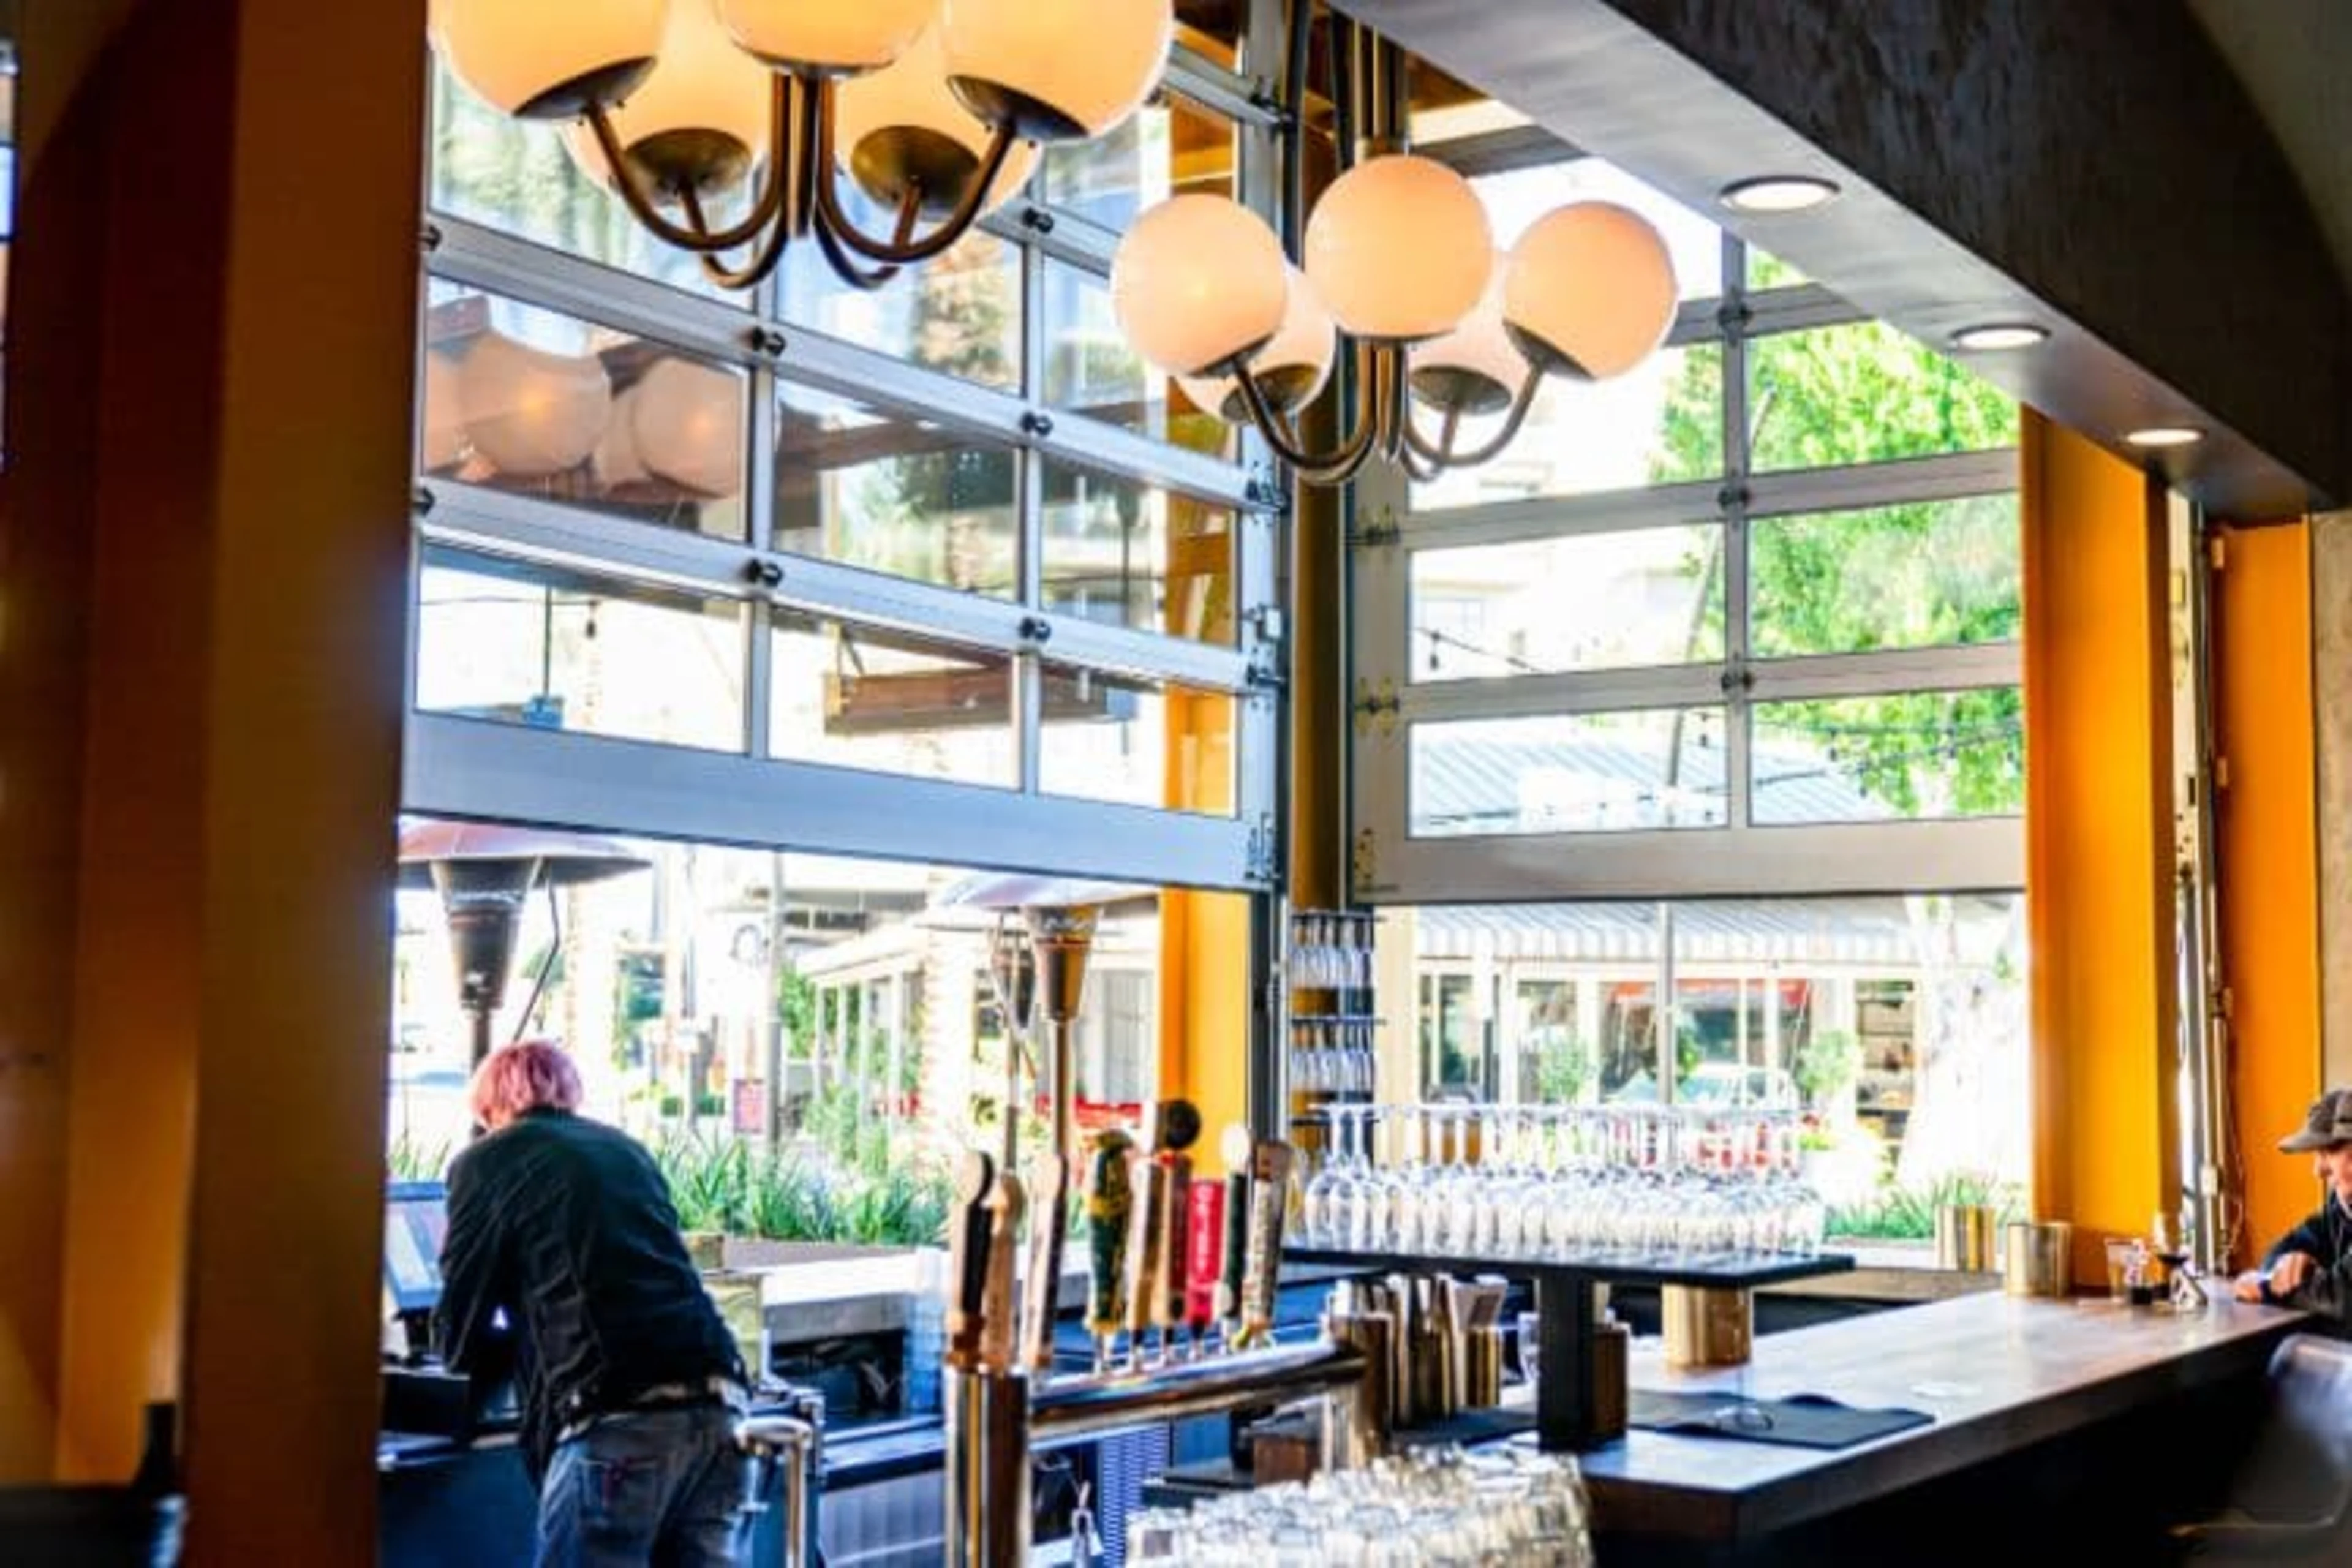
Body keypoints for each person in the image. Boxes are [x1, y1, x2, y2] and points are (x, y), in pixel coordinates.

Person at [435, 1039, 754, 1566]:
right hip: (722, 1404)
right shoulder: (625, 1150)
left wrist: (457, 1360)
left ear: (490, 1108)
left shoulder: (487, 1160)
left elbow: (461, 1321)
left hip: (619, 1418)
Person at [2233, 1087, 2352, 1319]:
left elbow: (2344, 1296)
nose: (2318, 1171)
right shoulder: (2341, 1207)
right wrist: (2289, 1267)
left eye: (2327, 1153)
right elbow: (2280, 1252)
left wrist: (2267, 1290)